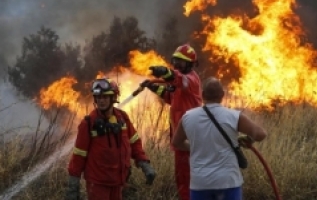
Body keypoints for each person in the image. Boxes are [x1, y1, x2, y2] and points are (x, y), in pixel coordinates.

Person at [171, 77, 267, 200]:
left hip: (200, 184)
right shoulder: (233, 116)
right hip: (228, 183)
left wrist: (196, 147)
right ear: (222, 95)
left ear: (203, 94)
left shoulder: (188, 117)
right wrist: (248, 139)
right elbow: (261, 134)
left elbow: (176, 143)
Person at [65, 77, 156, 200]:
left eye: (105, 97)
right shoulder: (88, 124)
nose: (101, 101)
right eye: (98, 98)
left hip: (118, 182)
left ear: (113, 98)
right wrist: (73, 185)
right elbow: (79, 155)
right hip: (98, 184)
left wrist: (144, 164)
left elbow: (134, 143)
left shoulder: (122, 118)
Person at [141, 44, 202, 200]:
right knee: (182, 179)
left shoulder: (191, 80)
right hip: (181, 140)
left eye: (180, 62)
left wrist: (165, 72)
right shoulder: (179, 82)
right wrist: (154, 87)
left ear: (190, 63)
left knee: (188, 180)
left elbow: (179, 79)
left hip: (190, 140)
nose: (176, 65)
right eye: (175, 61)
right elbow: (171, 97)